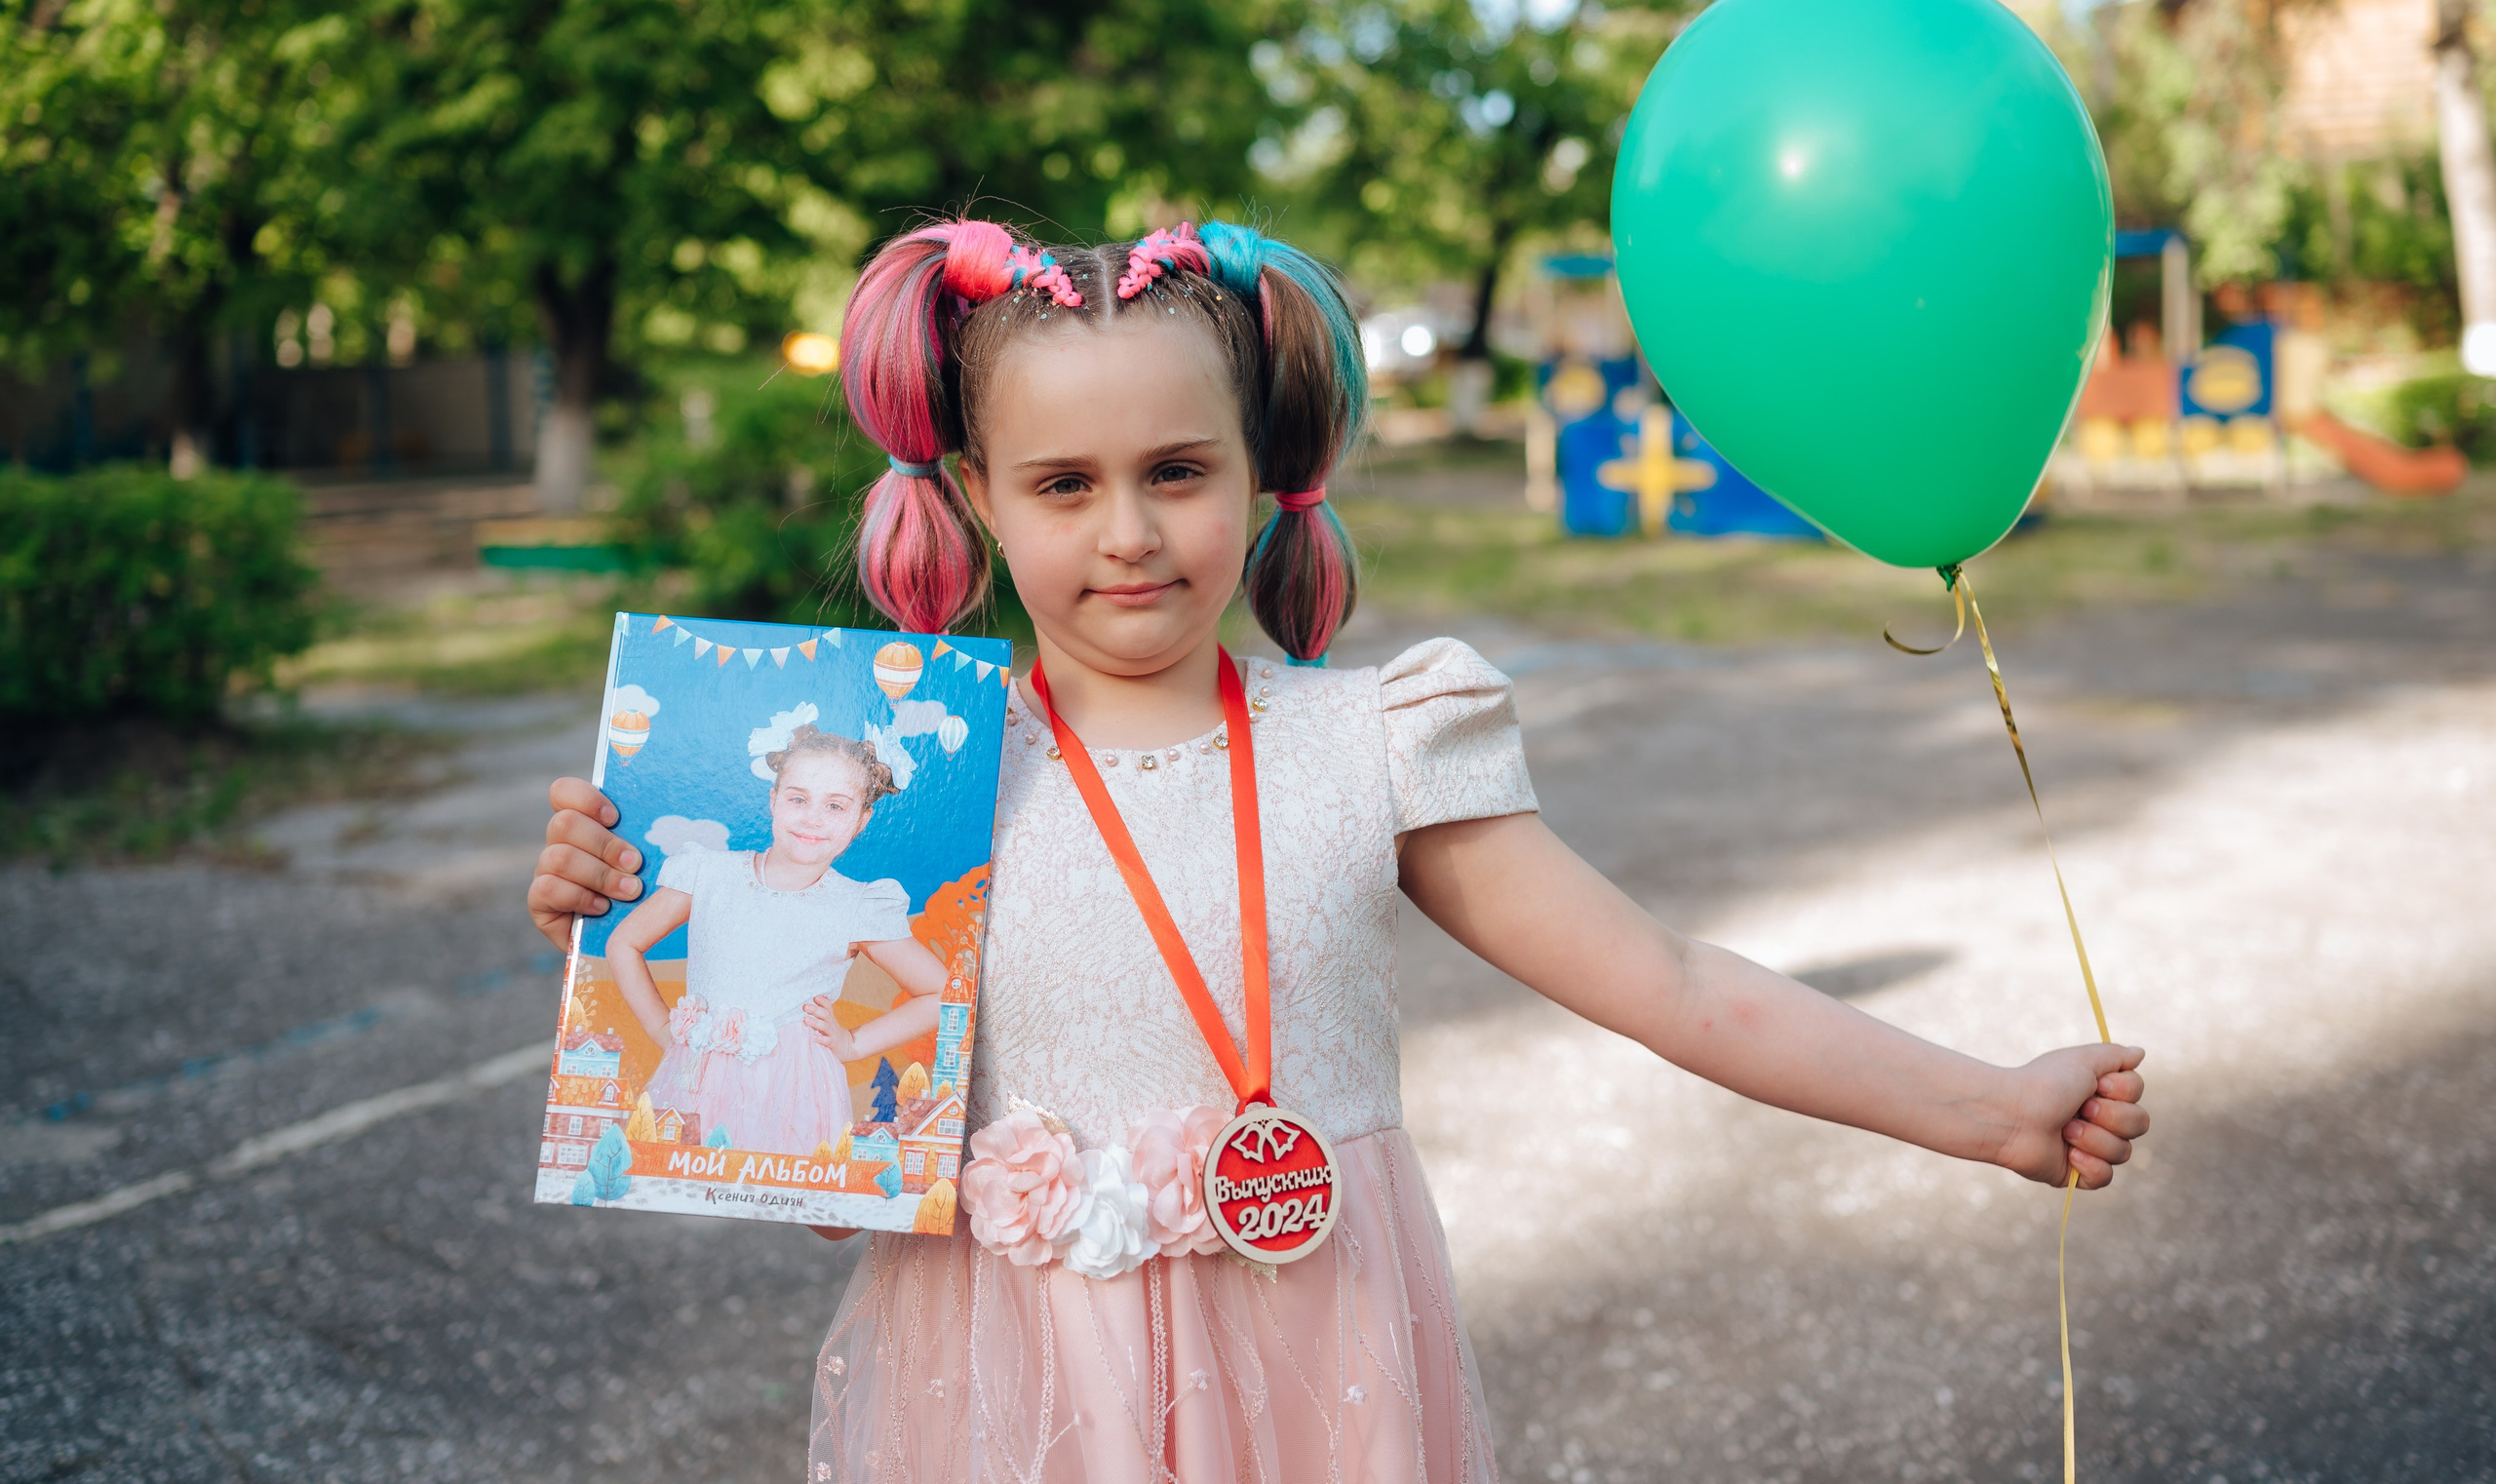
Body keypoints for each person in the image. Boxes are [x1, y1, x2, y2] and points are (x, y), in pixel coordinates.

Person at [526, 218, 2149, 1483]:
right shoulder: (913, 783)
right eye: (1064, 483)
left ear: (1260, 467)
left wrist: (1988, 1106)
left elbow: (1670, 980)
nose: (1129, 531)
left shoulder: (1370, 741)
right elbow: (830, 1166)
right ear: (973, 490)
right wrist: (617, 929)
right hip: (1014, 1394)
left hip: (1320, 1360)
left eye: (1176, 470)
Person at [597, 724, 948, 1155]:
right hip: (700, 1071)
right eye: (798, 798)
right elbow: (623, 944)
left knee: (780, 1184)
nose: (813, 818)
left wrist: (853, 1043)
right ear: (773, 800)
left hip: (796, 1087)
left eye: (836, 806)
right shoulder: (708, 874)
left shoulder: (857, 906)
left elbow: (942, 994)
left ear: (861, 820)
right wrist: (659, 1027)